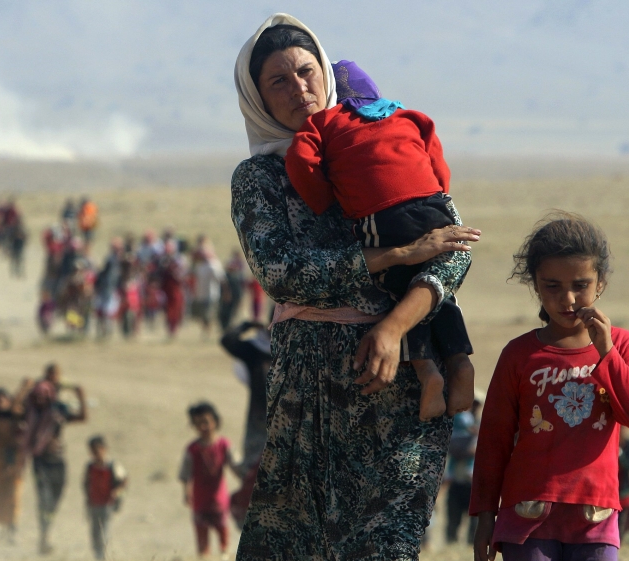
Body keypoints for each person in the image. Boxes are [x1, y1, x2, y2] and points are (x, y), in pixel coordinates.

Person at [231, 14, 479, 560]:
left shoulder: (382, 139)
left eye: (306, 71)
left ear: (326, 72)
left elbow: (451, 247)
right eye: (279, 81)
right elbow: (280, 273)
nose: (300, 88)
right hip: (310, 399)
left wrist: (393, 327)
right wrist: (392, 256)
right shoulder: (259, 179)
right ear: (258, 99)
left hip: (405, 391)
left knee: (386, 548)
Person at [285, 59, 475, 421]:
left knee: (398, 285)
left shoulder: (324, 121)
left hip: (383, 214)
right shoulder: (407, 114)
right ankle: (460, 361)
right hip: (433, 205)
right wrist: (437, 196)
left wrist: (324, 198)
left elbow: (300, 159)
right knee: (437, 286)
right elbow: (437, 157)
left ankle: (427, 372)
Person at [470, 213, 629, 561]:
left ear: (600, 284)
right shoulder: (520, 354)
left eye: (580, 285)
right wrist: (483, 519)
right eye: (552, 286)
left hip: (595, 516)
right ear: (536, 285)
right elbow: (493, 441)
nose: (567, 299)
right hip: (526, 516)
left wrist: (606, 352)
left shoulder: (622, 346)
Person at [17, 377, 87, 555]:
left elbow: (82, 417)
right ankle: (44, 537)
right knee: (44, 499)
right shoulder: (30, 412)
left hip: (58, 461)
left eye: (44, 396)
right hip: (40, 462)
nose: (40, 399)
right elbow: (13, 408)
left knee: (56, 497)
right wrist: (24, 388)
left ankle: (46, 533)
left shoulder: (58, 411)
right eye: (37, 396)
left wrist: (81, 397)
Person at [219, 321, 271, 528]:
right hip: (258, 427)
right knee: (253, 476)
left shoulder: (296, 347)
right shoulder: (255, 353)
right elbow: (228, 340)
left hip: (292, 425)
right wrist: (247, 324)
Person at [180, 402, 238, 558]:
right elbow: (185, 473)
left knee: (224, 542)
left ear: (215, 422)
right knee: (202, 546)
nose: (203, 427)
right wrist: (186, 492)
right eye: (198, 423)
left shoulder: (224, 445)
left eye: (206, 422)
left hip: (219, 502)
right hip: (200, 502)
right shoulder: (192, 449)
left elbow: (236, 466)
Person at [0, 387, 24, 541]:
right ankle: (3, 526)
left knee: (13, 492)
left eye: (3, 399)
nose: (0, 403)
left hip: (14, 460)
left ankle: (12, 527)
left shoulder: (16, 416)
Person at [445, 393, 482, 545]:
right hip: (457, 479)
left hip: (472, 481)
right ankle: (451, 544)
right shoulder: (458, 423)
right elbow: (455, 448)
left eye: (476, 404)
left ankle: (470, 546)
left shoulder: (481, 426)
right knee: (454, 518)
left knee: (474, 520)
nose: (473, 407)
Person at [83, 435, 127, 560]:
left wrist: (116, 492)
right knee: (94, 533)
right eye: (93, 451)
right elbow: (86, 484)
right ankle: (98, 556)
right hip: (94, 504)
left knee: (104, 532)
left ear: (104, 449)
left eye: (98, 450)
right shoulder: (90, 467)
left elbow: (124, 479)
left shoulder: (112, 465)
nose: (96, 454)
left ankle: (103, 556)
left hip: (107, 504)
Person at [190, 238, 227, 338]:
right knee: (201, 315)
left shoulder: (213, 265)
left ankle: (207, 331)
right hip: (201, 293)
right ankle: (205, 330)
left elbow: (221, 279)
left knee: (208, 314)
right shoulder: (199, 266)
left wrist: (226, 291)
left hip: (211, 294)